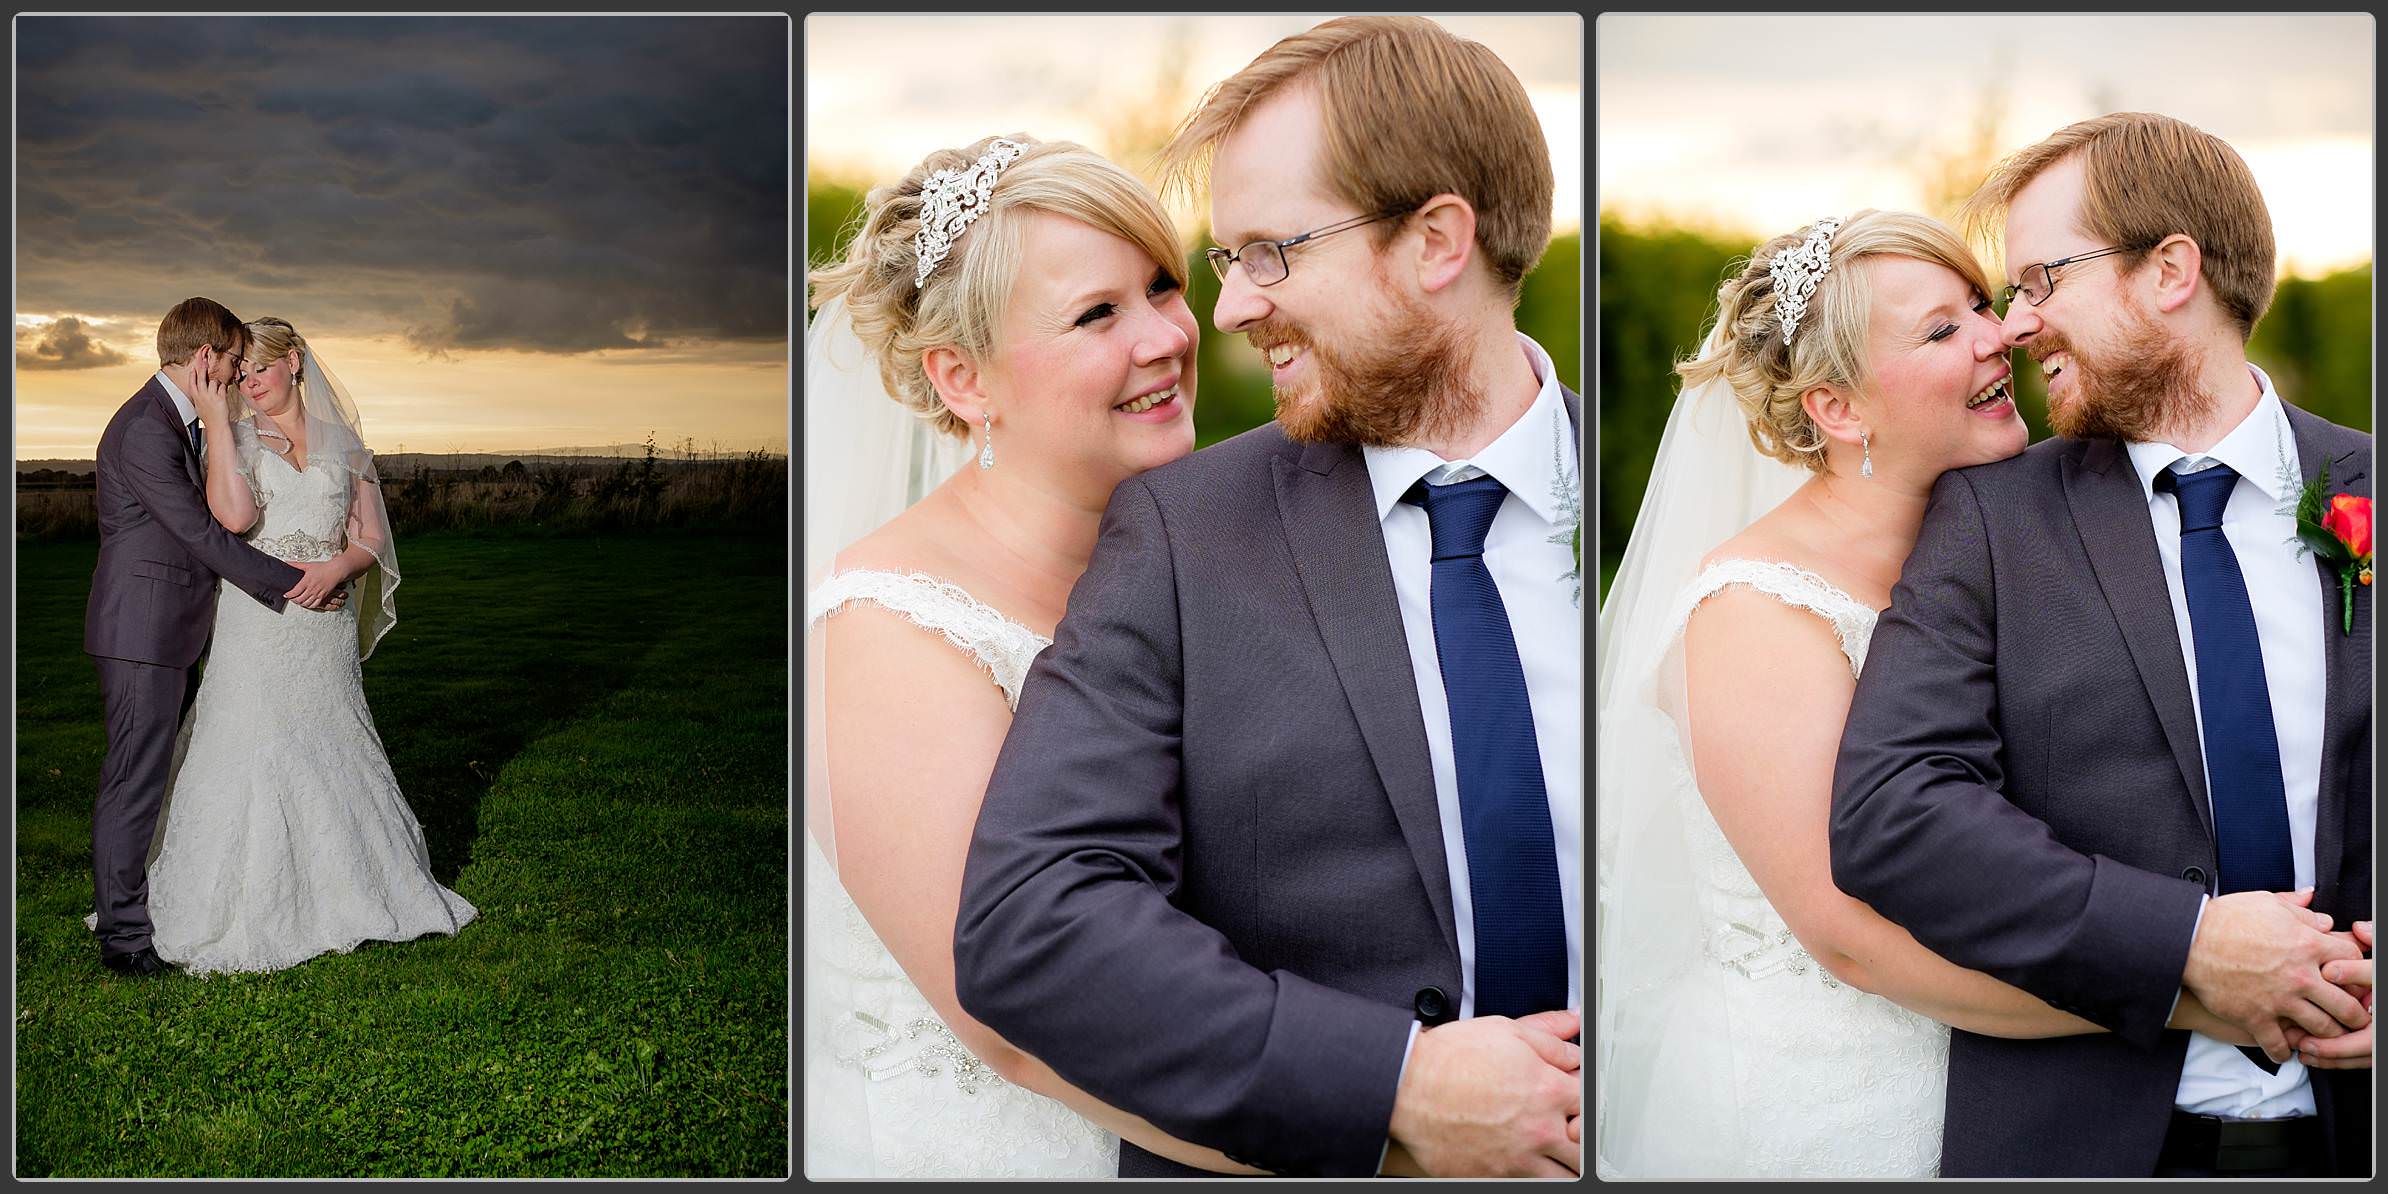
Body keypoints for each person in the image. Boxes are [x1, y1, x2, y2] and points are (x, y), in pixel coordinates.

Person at [952, 17, 1582, 1178]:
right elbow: (1035, 918)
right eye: (1226, 262)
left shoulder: (1667, 530)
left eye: (1269, 253)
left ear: (1438, 239)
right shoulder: (1183, 536)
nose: (1229, 311)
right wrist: (1391, 1082)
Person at [1830, 112, 2374, 1178]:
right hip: (2087, 1143)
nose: (2016, 326)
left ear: (2171, 270)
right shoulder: (1989, 520)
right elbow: (1892, 810)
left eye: (2041, 280)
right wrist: (2183, 943)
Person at [800, 133, 1266, 1179]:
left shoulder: (1205, 559)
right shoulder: (887, 636)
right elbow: (1025, 1022)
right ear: (963, 378)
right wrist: (1393, 1135)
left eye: (1162, 286)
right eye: (1098, 314)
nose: (1163, 339)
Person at [87, 315, 475, 975]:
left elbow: (370, 537)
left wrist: (335, 571)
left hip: (322, 625)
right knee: (245, 745)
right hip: (259, 619)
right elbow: (233, 521)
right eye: (240, 370)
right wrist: (220, 428)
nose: (247, 382)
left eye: (258, 368)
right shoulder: (229, 435)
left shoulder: (343, 441)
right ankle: (176, 915)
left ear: (295, 363)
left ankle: (353, 885)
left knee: (334, 740)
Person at [83, 298, 342, 979]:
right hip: (141, 631)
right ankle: (125, 939)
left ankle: (136, 916)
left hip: (167, 627)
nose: (234, 376)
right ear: (205, 358)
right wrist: (288, 580)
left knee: (147, 774)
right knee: (134, 781)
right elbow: (199, 534)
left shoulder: (176, 418)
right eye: (231, 362)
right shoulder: (145, 427)